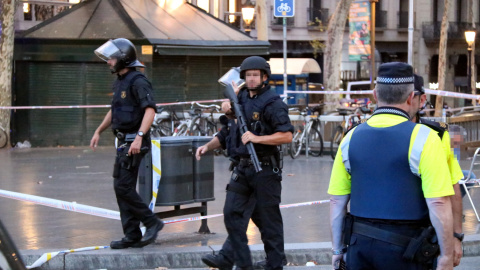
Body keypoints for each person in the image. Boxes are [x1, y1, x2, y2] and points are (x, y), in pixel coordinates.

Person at [328, 62, 454, 270]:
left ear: (375, 95)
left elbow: (336, 201)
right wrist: (446, 255)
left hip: (360, 247)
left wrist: (337, 250)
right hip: (407, 250)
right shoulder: (426, 138)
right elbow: (438, 203)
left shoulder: (350, 138)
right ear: (410, 97)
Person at [196, 56, 294, 270]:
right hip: (242, 168)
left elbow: (286, 136)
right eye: (247, 76)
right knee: (232, 213)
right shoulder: (240, 99)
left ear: (264, 77)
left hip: (265, 170)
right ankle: (230, 259)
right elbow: (227, 132)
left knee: (269, 222)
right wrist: (207, 146)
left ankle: (274, 263)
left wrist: (257, 138)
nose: (250, 79)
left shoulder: (272, 103)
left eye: (255, 75)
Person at [90, 38, 163, 249]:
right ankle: (131, 235)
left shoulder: (138, 81)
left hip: (134, 141)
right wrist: (98, 130)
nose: (108, 62)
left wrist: (139, 136)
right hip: (123, 141)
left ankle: (152, 222)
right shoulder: (120, 81)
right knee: (120, 186)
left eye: (112, 58)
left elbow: (150, 110)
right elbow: (115, 110)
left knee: (123, 186)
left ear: (123, 58)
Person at [411, 74, 464, 267]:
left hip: (426, 237)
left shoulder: (439, 133)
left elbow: (453, 187)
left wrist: (456, 236)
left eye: (408, 94)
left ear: (421, 99)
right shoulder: (361, 134)